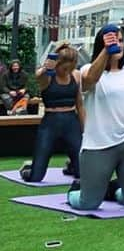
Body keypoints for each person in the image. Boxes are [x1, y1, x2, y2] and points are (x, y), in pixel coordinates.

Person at [68, 26, 124, 210]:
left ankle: (110, 191)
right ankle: (75, 191)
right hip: (99, 144)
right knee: (88, 203)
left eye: (120, 41)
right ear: (101, 45)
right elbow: (91, 79)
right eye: (114, 41)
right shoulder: (88, 71)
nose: (119, 45)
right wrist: (107, 50)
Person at [21, 46, 83, 183]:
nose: (67, 71)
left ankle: (72, 166)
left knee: (83, 173)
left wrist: (85, 128)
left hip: (71, 121)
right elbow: (39, 76)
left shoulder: (76, 76)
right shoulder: (48, 77)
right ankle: (28, 168)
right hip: (50, 122)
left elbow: (80, 105)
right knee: (35, 177)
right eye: (64, 68)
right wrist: (46, 67)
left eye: (70, 68)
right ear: (58, 65)